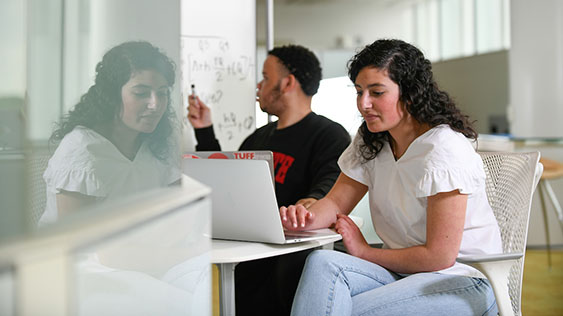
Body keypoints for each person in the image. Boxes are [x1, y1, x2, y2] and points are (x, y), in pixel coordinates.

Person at [281, 39, 502, 316]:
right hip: (402, 273)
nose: (364, 104)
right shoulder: (372, 139)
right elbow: (336, 203)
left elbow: (439, 257)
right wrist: (302, 218)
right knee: (322, 262)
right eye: (359, 92)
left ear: (409, 92)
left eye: (376, 92)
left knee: (346, 310)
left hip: (460, 280)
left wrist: (364, 252)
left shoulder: (443, 148)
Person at [187, 44, 351, 315]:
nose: (258, 86)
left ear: (287, 83)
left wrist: (308, 205)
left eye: (265, 77)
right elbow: (227, 187)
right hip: (247, 261)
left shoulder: (329, 135)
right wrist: (205, 132)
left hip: (289, 266)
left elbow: (330, 189)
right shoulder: (257, 138)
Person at [39, 41, 180, 225]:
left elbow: (181, 215)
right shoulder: (82, 150)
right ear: (112, 95)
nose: (155, 105)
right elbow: (77, 244)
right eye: (140, 93)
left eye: (162, 93)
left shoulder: (160, 141)